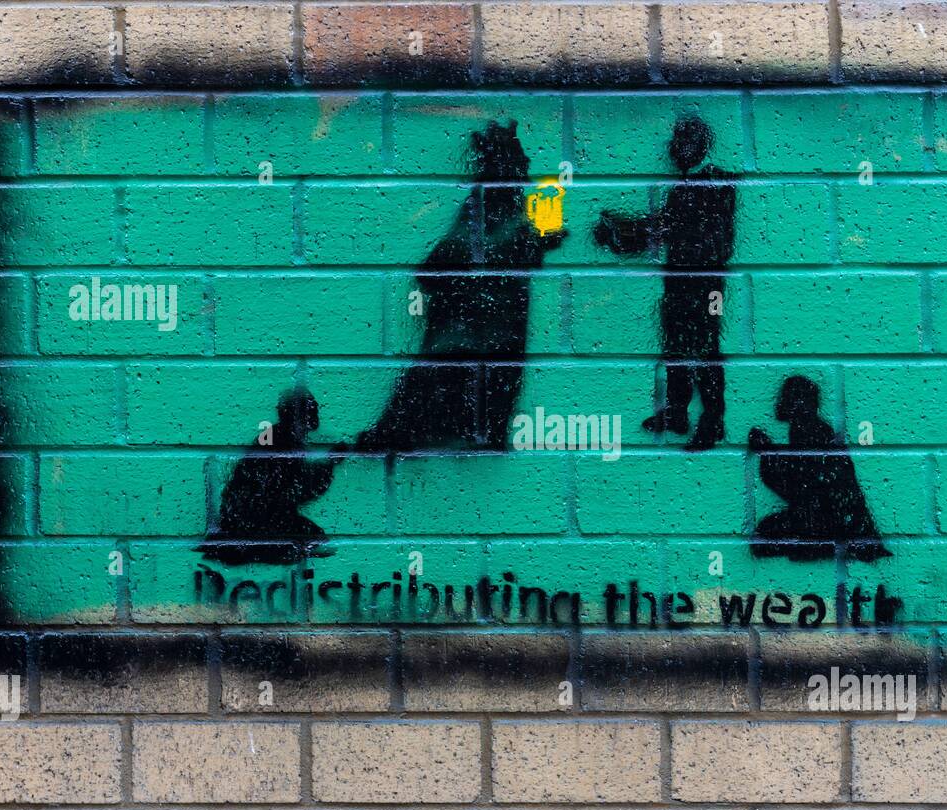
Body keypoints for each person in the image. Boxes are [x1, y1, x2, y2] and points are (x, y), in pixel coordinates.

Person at [356, 120, 566, 452]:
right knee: (451, 377)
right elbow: (454, 257)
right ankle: (413, 432)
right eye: (520, 160)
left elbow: (469, 256)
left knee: (459, 378)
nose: (527, 167)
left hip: (487, 326)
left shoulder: (502, 205)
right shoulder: (492, 205)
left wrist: (533, 244)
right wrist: (528, 244)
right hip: (481, 326)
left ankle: (420, 432)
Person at [594, 115, 736, 450]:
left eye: (682, 142)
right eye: (675, 142)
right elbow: (665, 228)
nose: (674, 149)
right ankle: (677, 411)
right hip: (680, 281)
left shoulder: (717, 184)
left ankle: (712, 420)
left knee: (704, 348)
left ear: (699, 146)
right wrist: (624, 232)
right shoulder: (682, 188)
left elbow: (672, 229)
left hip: (706, 283)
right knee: (676, 345)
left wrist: (627, 231)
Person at [196, 387, 348, 566]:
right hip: (256, 521)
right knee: (312, 542)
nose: (314, 414)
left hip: (254, 517)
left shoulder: (278, 438)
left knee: (313, 541)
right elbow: (293, 492)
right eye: (310, 409)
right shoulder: (281, 441)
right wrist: (329, 464)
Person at [749, 376, 891, 562]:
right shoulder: (807, 430)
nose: (779, 401)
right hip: (831, 519)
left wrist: (767, 453)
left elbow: (799, 490)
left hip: (830, 522)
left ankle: (819, 548)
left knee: (764, 538)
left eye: (785, 397)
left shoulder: (812, 432)